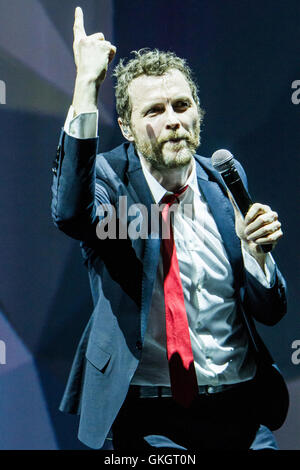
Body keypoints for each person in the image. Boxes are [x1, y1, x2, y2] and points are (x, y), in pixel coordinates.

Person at [51, 7, 288, 451]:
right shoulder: (107, 179)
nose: (173, 119)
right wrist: (86, 87)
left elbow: (271, 310)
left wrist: (258, 255)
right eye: (155, 111)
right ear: (126, 126)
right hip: (150, 419)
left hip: (241, 409)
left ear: (198, 112)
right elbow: (71, 214)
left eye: (182, 105)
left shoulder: (224, 180)